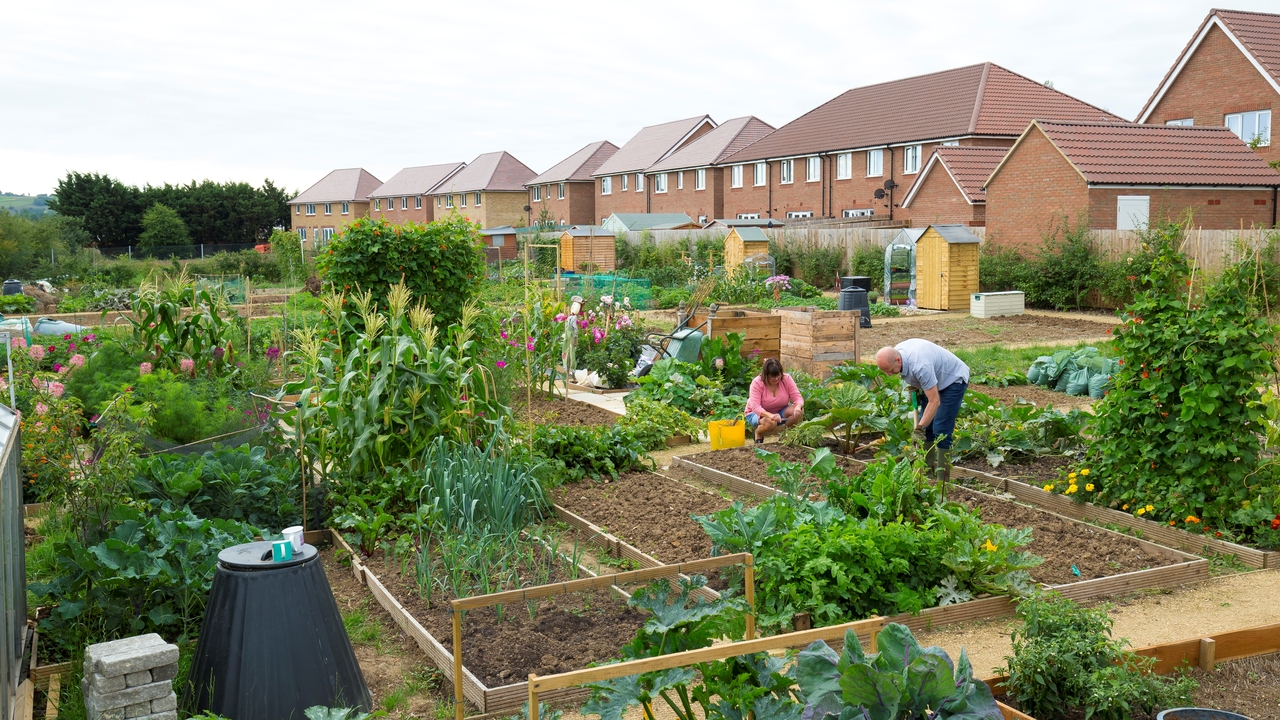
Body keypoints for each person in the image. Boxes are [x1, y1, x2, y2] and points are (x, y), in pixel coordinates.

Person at [875, 339, 970, 481]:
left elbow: (935, 401)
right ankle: (926, 475)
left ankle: (942, 481)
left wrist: (919, 427)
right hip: (933, 379)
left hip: (952, 380)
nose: (889, 375)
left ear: (898, 360)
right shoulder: (898, 353)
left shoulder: (920, 366)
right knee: (928, 429)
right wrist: (915, 384)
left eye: (890, 370)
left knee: (941, 428)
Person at [744, 358, 805, 444]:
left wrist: (798, 407)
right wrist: (771, 415)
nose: (776, 379)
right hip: (756, 413)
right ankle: (758, 432)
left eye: (778, 375)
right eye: (772, 376)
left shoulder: (786, 379)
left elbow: (797, 397)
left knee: (799, 412)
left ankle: (785, 435)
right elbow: (755, 407)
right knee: (771, 423)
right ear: (766, 375)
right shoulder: (757, 383)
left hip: (780, 411)